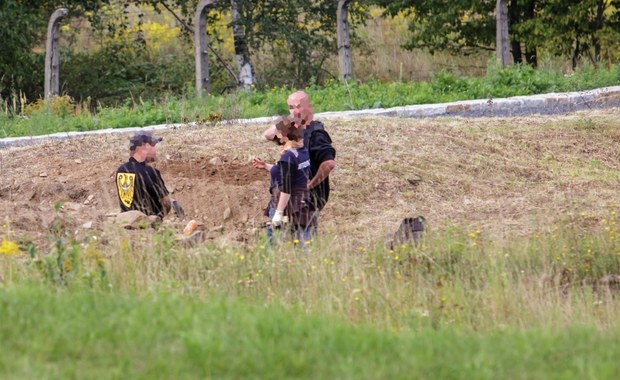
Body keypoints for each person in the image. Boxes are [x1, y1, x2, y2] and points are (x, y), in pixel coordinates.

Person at [262, 91, 336, 231]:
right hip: (287, 199)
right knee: (281, 245)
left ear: (310, 107)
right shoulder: (294, 130)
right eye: (291, 107)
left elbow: (329, 164)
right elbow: (268, 135)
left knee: (302, 245)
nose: (294, 111)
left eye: (298, 106)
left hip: (306, 202)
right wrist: (290, 119)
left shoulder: (316, 134)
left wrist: (311, 184)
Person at [253, 116, 315, 243]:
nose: (278, 138)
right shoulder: (303, 150)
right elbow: (289, 172)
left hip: (288, 205)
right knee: (304, 245)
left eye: (280, 134)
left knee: (275, 246)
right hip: (303, 205)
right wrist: (266, 166)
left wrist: (278, 213)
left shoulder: (288, 156)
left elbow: (286, 188)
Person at [115, 130, 183, 219]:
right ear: (143, 147)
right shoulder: (150, 172)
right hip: (148, 224)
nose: (155, 150)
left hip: (126, 221)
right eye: (153, 145)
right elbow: (166, 203)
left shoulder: (121, 170)